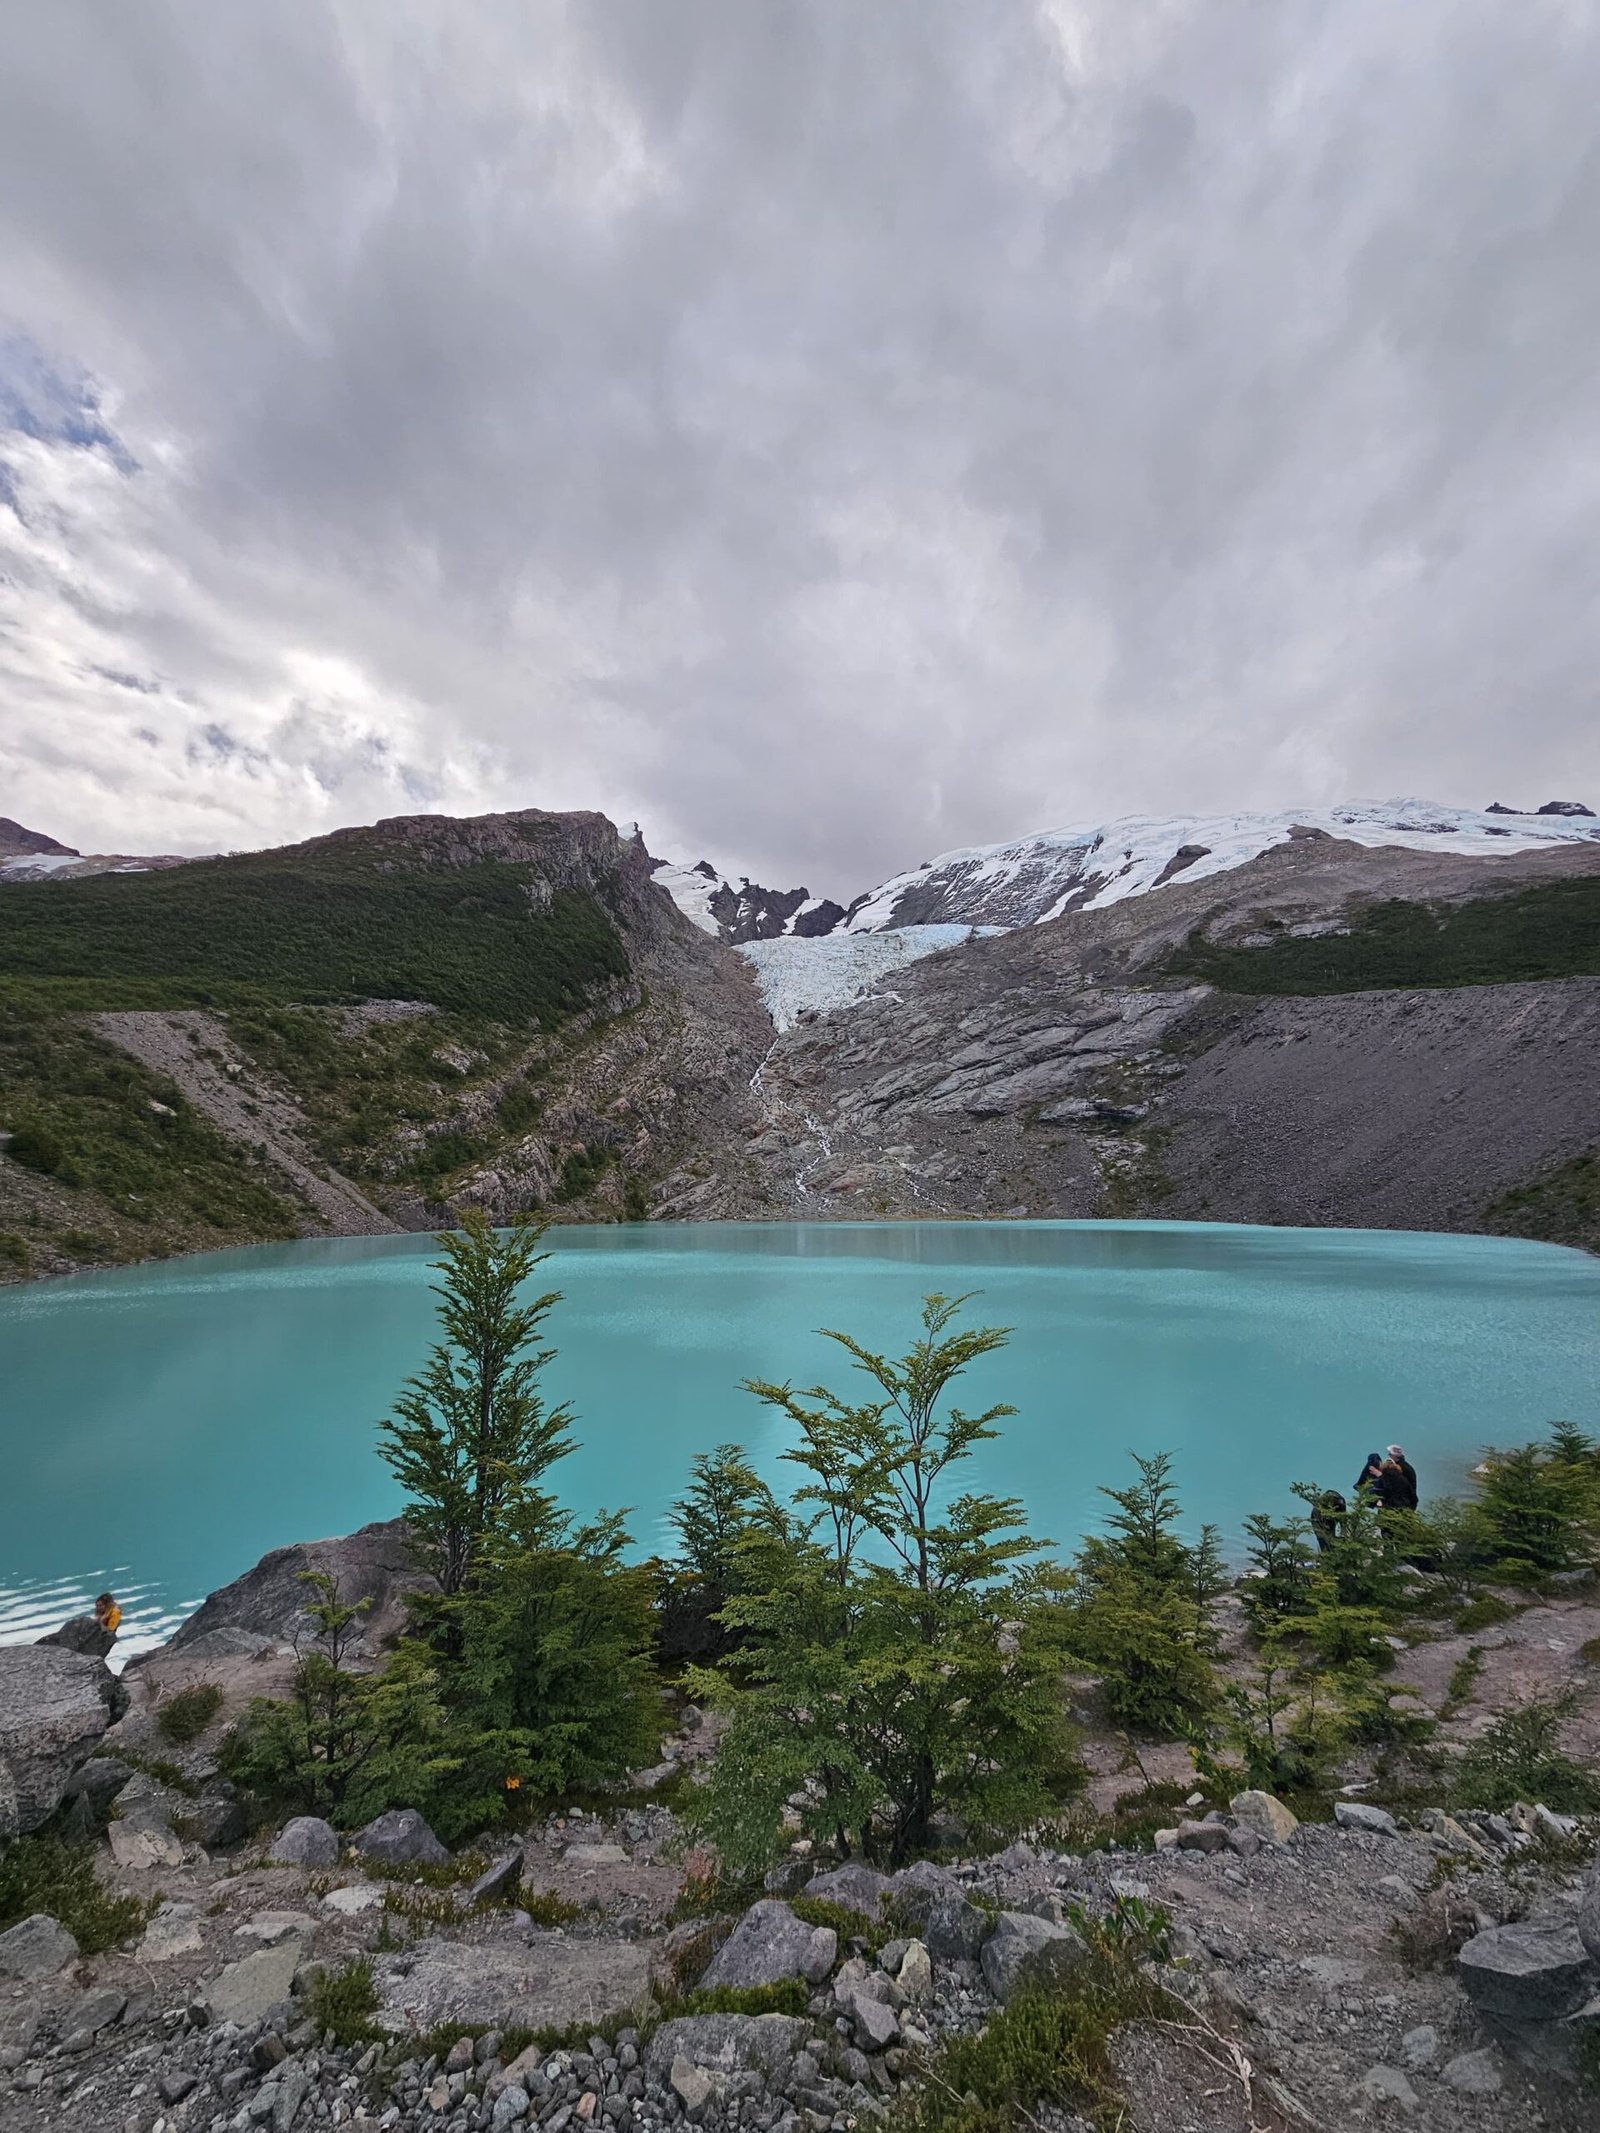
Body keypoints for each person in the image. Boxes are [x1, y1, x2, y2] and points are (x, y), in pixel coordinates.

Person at [1310, 1489, 1346, 1553]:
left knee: (1332, 1537)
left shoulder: (1341, 1503)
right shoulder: (1319, 1506)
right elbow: (1317, 1521)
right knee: (1322, 1538)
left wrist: (1343, 1536)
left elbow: (1343, 1522)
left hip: (1332, 1514)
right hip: (1318, 1516)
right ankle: (1326, 1554)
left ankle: (1332, 1552)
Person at [1387, 1444, 1419, 1512]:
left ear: (1394, 1456)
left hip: (1401, 1504)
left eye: (1389, 1454)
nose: (1388, 1456)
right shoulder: (1407, 1467)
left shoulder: (1399, 1469)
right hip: (1407, 1502)